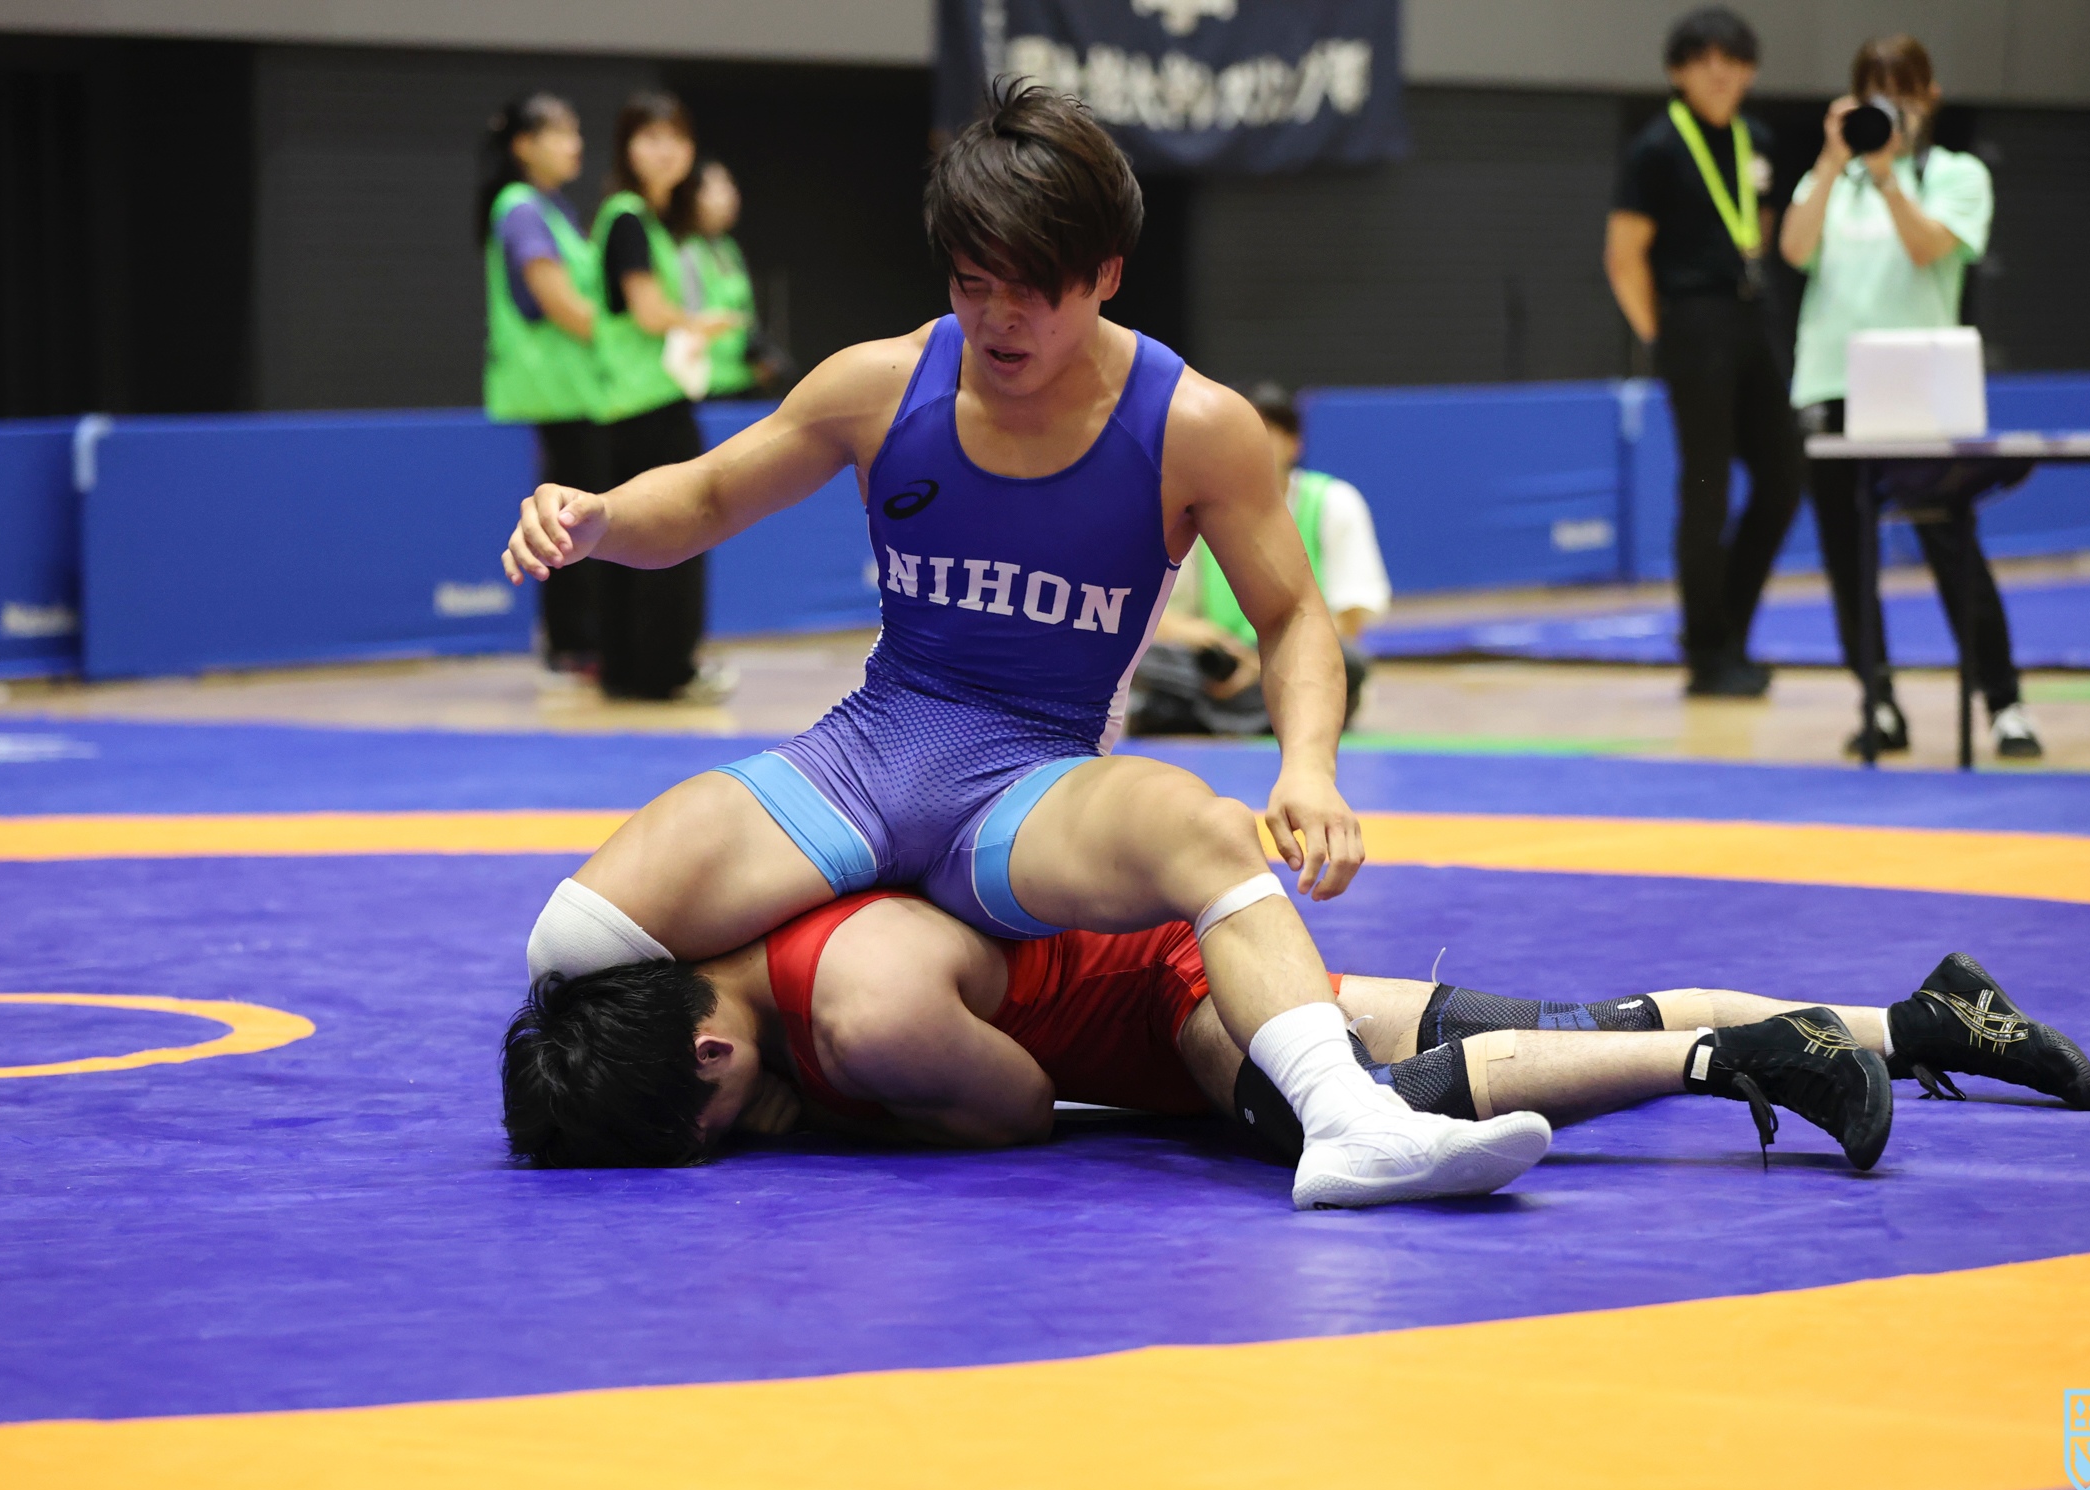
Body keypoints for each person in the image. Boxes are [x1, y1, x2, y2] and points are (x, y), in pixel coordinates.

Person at [502, 82, 1541, 1210]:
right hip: (865, 758)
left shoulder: (1195, 426)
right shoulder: (882, 385)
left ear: (1105, 274)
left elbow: (1292, 615)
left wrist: (1309, 767)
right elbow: (706, 497)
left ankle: (1349, 1126)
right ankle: (761, 1072)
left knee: (1204, 830)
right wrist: (598, 518)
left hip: (1031, 783)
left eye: (1032, 291)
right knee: (572, 941)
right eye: (971, 283)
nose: (997, 321)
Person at [500, 887, 2090, 1175]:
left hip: (1169, 995)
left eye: (706, 1132)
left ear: (708, 1057)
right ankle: (1925, 1020)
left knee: (1332, 1118)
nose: (733, 1143)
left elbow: (1017, 1113)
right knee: (1560, 1021)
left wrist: (833, 1115)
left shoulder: (853, 1018)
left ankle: (1732, 1060)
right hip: (1188, 946)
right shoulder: (745, 928)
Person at [1780, 36, 2038, 760]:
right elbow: (1794, 250)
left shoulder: (1956, 175)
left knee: (1951, 544)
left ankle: (2005, 706)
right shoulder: (1831, 181)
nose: (1890, 104)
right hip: (1832, 383)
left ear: (1929, 98)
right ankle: (1879, 702)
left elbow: (1929, 248)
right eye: (1875, 91)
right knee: (1847, 556)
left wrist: (1889, 177)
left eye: (1903, 90)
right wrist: (1832, 163)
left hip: (1921, 386)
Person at [1605, 7, 1803, 700]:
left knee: (1784, 478)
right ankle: (1707, 652)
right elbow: (1624, 257)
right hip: (1692, 322)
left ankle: (1728, 632)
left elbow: (1762, 229)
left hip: (1754, 312)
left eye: (1732, 59)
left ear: (1750, 70)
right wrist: (1663, 335)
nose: (1719, 72)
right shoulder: (1657, 148)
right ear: (1678, 72)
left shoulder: (1758, 141)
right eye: (1703, 60)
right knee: (1707, 488)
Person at [584, 94, 743, 703]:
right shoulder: (627, 217)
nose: (664, 151)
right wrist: (702, 324)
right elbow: (649, 311)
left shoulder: (656, 224)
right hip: (644, 406)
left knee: (633, 535)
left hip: (644, 405)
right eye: (649, 138)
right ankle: (664, 670)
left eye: (675, 138)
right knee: (672, 531)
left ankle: (633, 670)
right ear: (626, 148)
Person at [1128, 382, 1390, 737]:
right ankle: (1267, 715)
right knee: (1138, 656)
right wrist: (1204, 637)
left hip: (1297, 654)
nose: (1247, 445)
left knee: (1347, 661)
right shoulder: (1193, 510)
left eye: (1264, 432)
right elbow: (1155, 616)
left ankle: (1208, 716)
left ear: (1294, 444)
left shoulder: (1334, 502)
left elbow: (1350, 619)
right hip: (1222, 662)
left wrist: (1265, 663)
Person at [478, 93, 608, 676]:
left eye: (576, 132)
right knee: (571, 520)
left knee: (577, 516)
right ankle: (574, 643)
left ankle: (580, 640)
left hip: (578, 390)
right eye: (560, 133)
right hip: (556, 391)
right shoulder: (522, 209)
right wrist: (635, 338)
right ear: (524, 146)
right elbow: (559, 303)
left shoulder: (556, 209)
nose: (575, 144)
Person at [681, 161, 787, 400]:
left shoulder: (729, 248)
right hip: (701, 386)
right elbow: (687, 319)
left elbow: (745, 314)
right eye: (717, 188)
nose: (730, 196)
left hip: (740, 382)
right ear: (691, 195)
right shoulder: (685, 250)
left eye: (730, 186)